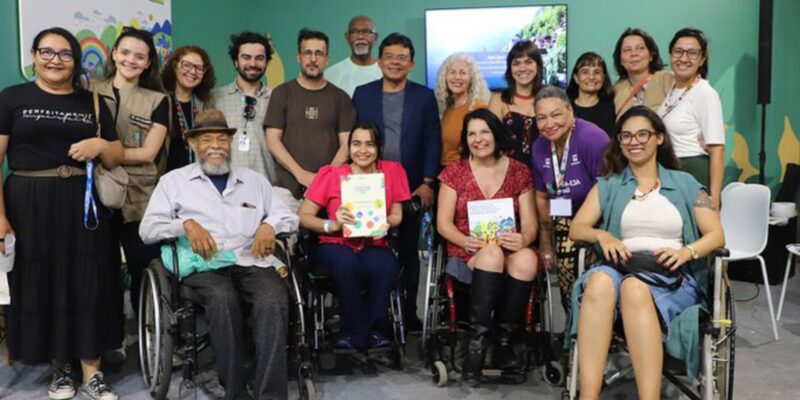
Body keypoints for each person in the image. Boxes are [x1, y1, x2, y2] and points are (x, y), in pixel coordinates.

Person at [139, 109, 298, 400]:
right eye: (207, 139)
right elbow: (147, 230)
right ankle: (235, 390)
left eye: (222, 139)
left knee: (273, 296)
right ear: (193, 145)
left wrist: (268, 224)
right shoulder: (173, 182)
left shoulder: (254, 181)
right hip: (205, 266)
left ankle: (271, 394)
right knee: (222, 297)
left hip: (250, 260)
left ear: (230, 144)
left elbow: (288, 218)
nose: (216, 146)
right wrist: (184, 225)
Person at [0, 27, 124, 400]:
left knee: (91, 277)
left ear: (76, 60)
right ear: (34, 56)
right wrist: (0, 216)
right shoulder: (12, 98)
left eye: (64, 53)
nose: (55, 60)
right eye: (46, 52)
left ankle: (92, 370)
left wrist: (99, 143)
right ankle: (60, 369)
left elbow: (116, 156)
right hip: (28, 201)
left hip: (83, 202)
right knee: (44, 280)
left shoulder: (95, 102)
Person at [568, 106, 725, 400]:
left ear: (659, 138)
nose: (634, 141)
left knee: (633, 288)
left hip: (669, 273)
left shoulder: (686, 184)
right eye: (626, 136)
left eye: (642, 134)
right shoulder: (609, 184)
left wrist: (687, 252)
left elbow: (716, 235)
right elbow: (577, 228)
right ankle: (587, 397)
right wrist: (602, 234)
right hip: (620, 266)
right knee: (600, 282)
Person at [437, 109, 539, 384]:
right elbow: (443, 224)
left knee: (528, 259)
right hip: (468, 251)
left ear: (496, 134)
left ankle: (505, 341)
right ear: (465, 139)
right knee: (491, 253)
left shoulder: (519, 171)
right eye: (471, 134)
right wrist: (464, 240)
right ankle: (477, 344)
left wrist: (524, 239)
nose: (478, 139)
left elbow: (530, 224)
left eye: (484, 132)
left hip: (509, 247)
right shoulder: (454, 172)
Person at [352, 32, 441, 331]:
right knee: (369, 249)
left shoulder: (424, 96)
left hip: (412, 187)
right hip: (369, 187)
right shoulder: (362, 94)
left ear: (412, 64)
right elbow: (355, 140)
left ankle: (409, 313)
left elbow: (432, 140)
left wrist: (428, 181)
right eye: (389, 56)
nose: (395, 62)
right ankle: (373, 314)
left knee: (408, 254)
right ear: (379, 61)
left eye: (401, 58)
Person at [299, 122, 411, 350]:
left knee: (384, 265)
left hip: (374, 240)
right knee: (347, 263)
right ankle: (352, 332)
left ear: (379, 147)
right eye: (356, 144)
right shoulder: (330, 174)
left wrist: (382, 220)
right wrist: (333, 224)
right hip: (334, 242)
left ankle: (375, 331)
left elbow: (397, 214)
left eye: (370, 144)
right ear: (348, 147)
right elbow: (304, 216)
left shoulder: (392, 171)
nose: (363, 150)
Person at [91, 26, 168, 329]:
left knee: (142, 266)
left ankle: (147, 333)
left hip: (139, 197)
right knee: (101, 269)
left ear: (149, 63)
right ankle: (110, 337)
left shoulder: (157, 100)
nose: (131, 60)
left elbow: (149, 152)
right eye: (125, 52)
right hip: (95, 193)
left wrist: (101, 150)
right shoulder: (90, 90)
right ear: (113, 54)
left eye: (140, 56)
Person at [531, 86, 610, 312]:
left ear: (571, 112)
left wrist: (582, 225)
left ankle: (598, 328)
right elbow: (541, 196)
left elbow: (609, 190)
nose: (549, 124)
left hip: (597, 219)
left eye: (556, 115)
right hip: (561, 218)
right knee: (563, 264)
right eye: (541, 118)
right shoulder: (539, 147)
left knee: (576, 260)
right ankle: (573, 328)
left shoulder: (592, 138)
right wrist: (546, 241)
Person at [265, 28, 356, 213]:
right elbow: (272, 140)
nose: (313, 59)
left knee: (328, 239)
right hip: (287, 189)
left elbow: (346, 146)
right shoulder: (282, 93)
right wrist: (302, 175)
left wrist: (322, 180)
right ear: (298, 57)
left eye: (319, 53)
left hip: (330, 190)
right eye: (307, 53)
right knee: (281, 239)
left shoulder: (341, 98)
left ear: (327, 59)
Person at [659, 28, 725, 209]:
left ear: (702, 59)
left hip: (693, 174)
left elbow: (717, 150)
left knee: (695, 234)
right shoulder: (673, 89)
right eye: (678, 51)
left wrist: (714, 200)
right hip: (671, 172)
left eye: (692, 53)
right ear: (671, 54)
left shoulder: (705, 93)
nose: (684, 58)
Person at [211, 31, 276, 181]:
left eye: (259, 58)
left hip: (268, 185)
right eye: (246, 57)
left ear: (267, 62)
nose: (253, 64)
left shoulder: (277, 98)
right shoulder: (215, 98)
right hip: (225, 184)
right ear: (235, 61)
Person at [488, 40, 544, 166]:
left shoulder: (550, 97)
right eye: (516, 63)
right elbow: (490, 141)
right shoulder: (498, 99)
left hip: (546, 172)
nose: (522, 68)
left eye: (528, 62)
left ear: (538, 66)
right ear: (510, 69)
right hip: (508, 174)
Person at [162, 45, 216, 172]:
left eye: (199, 68)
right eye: (187, 65)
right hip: (166, 177)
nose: (192, 72)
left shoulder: (206, 103)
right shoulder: (160, 100)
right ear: (174, 65)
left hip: (200, 178)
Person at [434, 52, 490, 166]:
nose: (457, 77)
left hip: (463, 173)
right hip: (443, 172)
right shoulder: (446, 108)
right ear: (445, 77)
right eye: (452, 72)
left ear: (471, 79)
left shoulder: (478, 109)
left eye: (463, 73)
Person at [612, 28, 674, 116]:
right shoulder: (616, 89)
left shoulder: (666, 78)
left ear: (651, 56)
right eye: (627, 50)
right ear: (620, 60)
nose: (634, 54)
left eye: (640, 48)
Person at [325, 15, 383, 97]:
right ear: (347, 37)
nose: (360, 36)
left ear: (375, 37)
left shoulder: (387, 72)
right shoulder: (331, 75)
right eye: (354, 32)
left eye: (366, 31)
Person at [566, 51, 616, 136]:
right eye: (585, 72)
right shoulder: (564, 108)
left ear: (603, 78)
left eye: (597, 72)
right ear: (576, 78)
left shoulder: (612, 106)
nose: (591, 77)